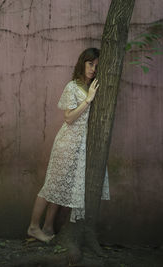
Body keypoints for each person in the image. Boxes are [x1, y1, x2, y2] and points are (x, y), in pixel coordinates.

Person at [27, 48, 110, 242]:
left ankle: (48, 228)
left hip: (80, 148)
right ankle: (32, 227)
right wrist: (88, 100)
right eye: (90, 64)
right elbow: (69, 118)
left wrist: (91, 94)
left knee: (62, 189)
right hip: (67, 143)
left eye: (96, 66)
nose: (93, 69)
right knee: (51, 187)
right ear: (82, 63)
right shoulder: (72, 87)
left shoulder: (94, 86)